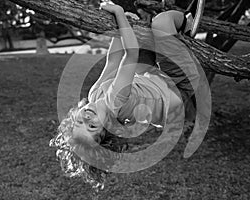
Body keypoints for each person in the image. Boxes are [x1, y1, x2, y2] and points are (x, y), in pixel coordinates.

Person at [50, 1, 201, 189]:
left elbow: (113, 60)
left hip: (155, 79)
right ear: (107, 128)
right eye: (92, 126)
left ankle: (161, 33)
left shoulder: (94, 95)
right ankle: (187, 23)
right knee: (161, 22)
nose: (86, 117)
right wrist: (120, 14)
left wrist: (121, 28)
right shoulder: (115, 103)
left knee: (140, 36)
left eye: (80, 122)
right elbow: (130, 54)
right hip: (182, 88)